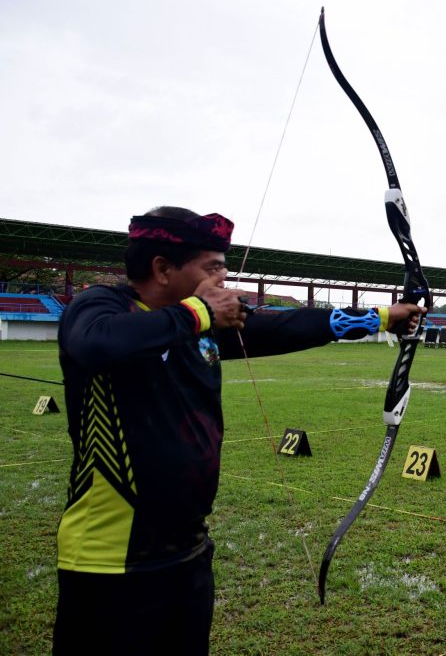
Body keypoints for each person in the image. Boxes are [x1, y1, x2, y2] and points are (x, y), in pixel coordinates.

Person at [52, 206, 425, 655]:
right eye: (212, 269)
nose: (224, 281)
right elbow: (95, 343)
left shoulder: (202, 325)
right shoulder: (102, 306)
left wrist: (382, 318)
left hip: (189, 556)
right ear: (162, 268)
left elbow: (283, 326)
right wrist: (200, 312)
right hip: (108, 564)